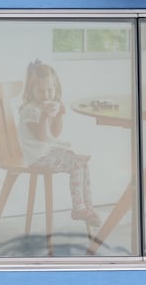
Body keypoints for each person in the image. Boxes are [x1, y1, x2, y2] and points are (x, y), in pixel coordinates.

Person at [19, 58, 100, 227]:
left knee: (82, 163)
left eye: (50, 89)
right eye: (41, 91)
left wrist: (59, 115)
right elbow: (41, 137)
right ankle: (78, 208)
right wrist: (44, 115)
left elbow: (55, 133)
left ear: (56, 88)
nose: (47, 95)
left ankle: (87, 206)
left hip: (47, 151)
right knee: (76, 164)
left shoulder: (47, 104)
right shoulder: (30, 110)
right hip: (36, 157)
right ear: (31, 89)